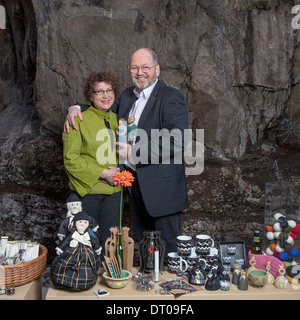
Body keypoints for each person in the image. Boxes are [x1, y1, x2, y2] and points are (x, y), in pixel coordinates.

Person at [64, 48, 189, 256]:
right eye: (134, 67)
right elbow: (101, 106)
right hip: (135, 188)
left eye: (145, 67)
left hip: (163, 190)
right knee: (143, 242)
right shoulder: (128, 96)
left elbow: (176, 141)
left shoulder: (171, 97)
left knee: (168, 249)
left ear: (157, 70)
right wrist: (73, 107)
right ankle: (146, 283)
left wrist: (134, 152)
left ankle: (168, 287)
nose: (140, 72)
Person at [62, 71, 122, 255]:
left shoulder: (119, 118)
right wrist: (103, 173)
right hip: (88, 193)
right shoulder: (78, 118)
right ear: (90, 95)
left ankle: (111, 280)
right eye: (99, 91)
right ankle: (86, 281)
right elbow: (70, 160)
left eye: (109, 90)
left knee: (111, 246)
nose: (105, 95)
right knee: (84, 245)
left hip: (115, 194)